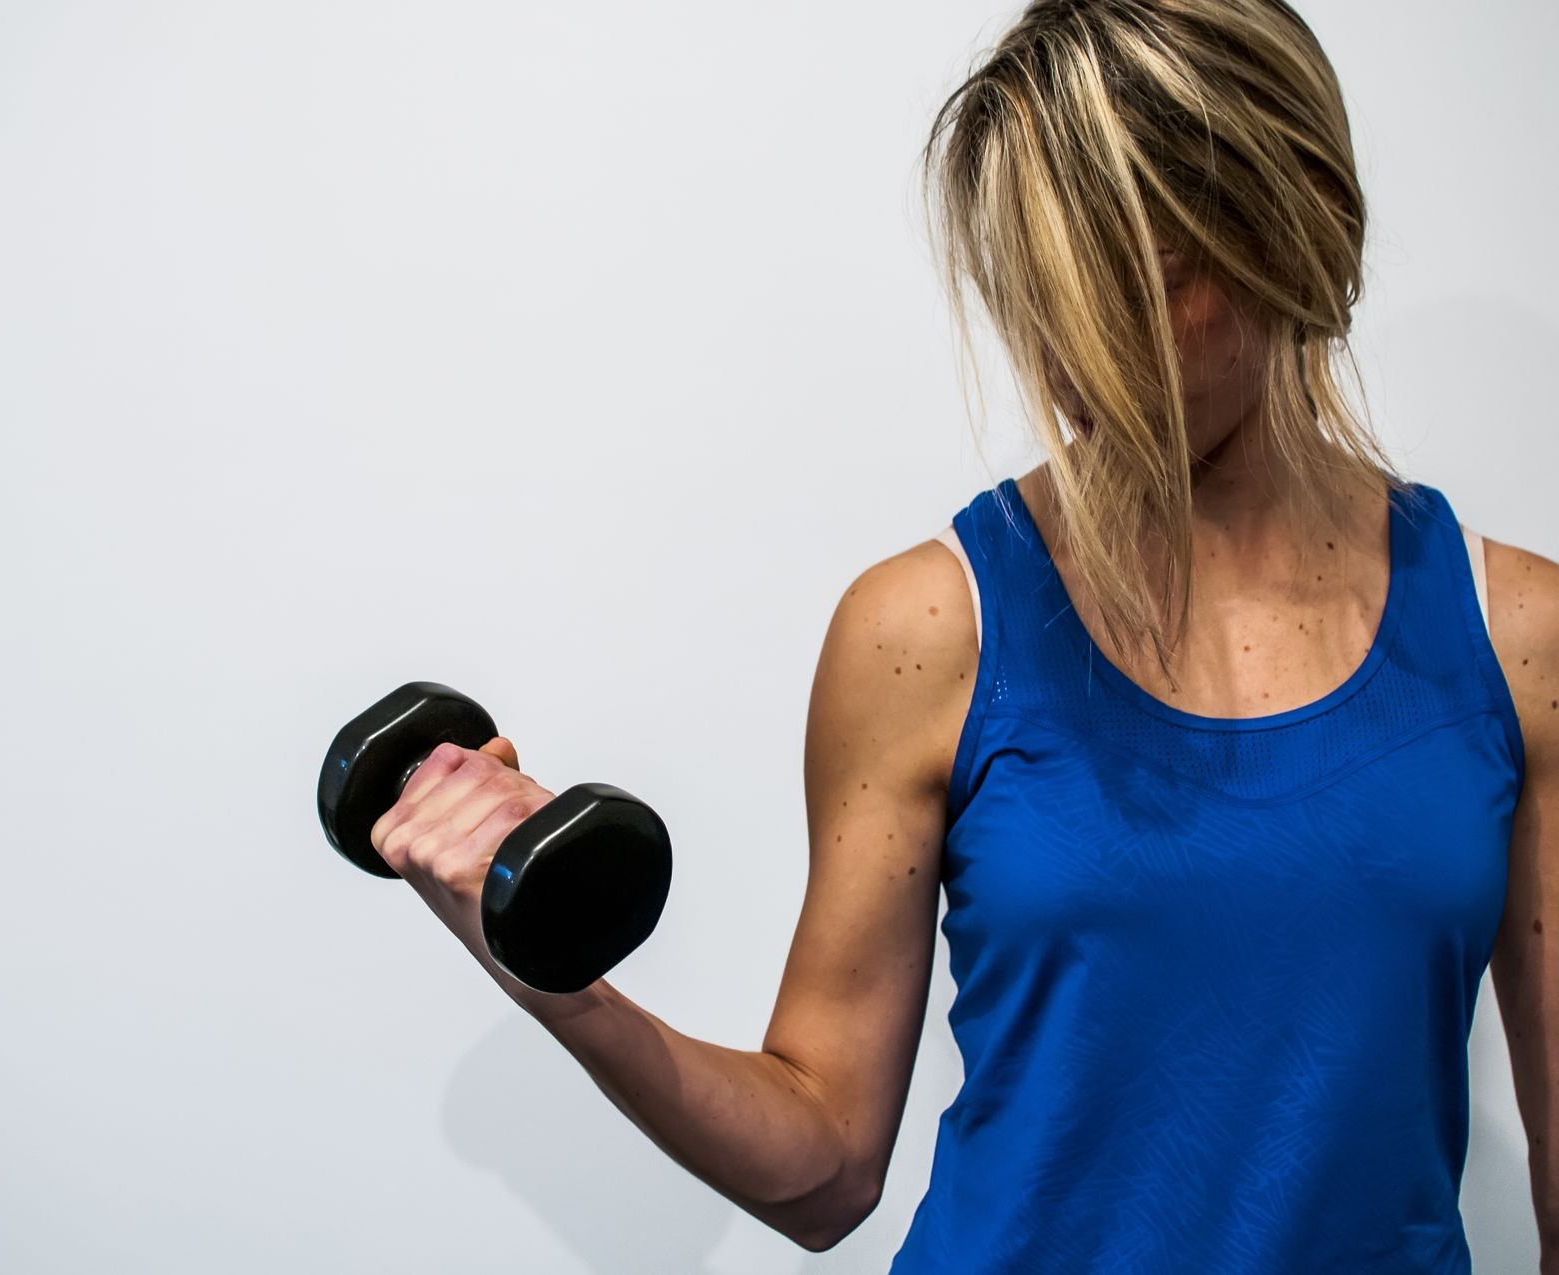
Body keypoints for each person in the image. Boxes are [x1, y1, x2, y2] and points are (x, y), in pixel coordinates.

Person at [365, 0, 1559, 1268]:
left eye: (1125, 292)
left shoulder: (1515, 640)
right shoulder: (933, 629)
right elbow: (821, 1168)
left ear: (1296, 220)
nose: (1069, 363)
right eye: (1038, 299)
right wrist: (554, 972)